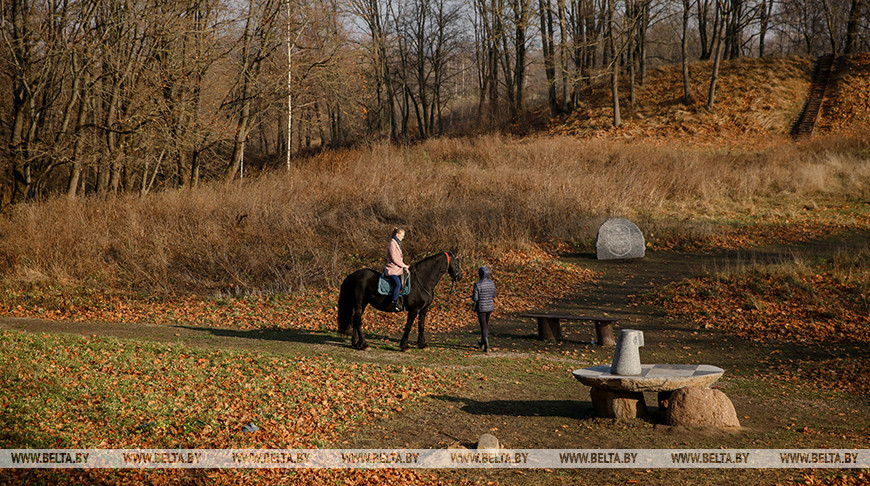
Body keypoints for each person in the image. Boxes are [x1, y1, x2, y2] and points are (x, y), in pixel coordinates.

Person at [471, 266, 496, 352]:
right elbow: (494, 294)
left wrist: (473, 296)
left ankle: (487, 346)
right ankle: (482, 343)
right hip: (489, 307)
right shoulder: (491, 283)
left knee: (483, 327)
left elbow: (475, 298)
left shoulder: (477, 284)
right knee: (485, 325)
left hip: (481, 308)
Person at [384, 228, 409, 311]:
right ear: (397, 235)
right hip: (392, 269)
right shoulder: (392, 244)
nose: (403, 237)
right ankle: (394, 303)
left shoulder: (397, 243)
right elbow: (394, 259)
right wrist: (404, 265)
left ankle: (403, 302)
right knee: (397, 283)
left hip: (398, 268)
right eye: (402, 235)